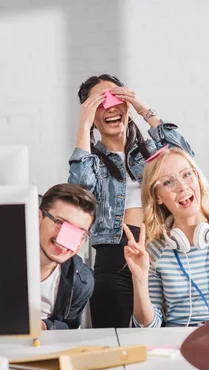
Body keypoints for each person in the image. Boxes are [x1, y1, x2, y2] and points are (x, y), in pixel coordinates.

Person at [68, 74, 194, 328]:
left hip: (163, 252)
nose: (110, 107)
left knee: (169, 337)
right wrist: (83, 127)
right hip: (115, 261)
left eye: (116, 98)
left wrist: (143, 109)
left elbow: (186, 159)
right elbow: (78, 198)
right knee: (115, 342)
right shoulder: (90, 162)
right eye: (99, 102)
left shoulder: (151, 153)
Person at [123, 147, 209, 327]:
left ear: (198, 178)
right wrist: (139, 279)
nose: (182, 187)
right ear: (158, 197)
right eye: (168, 182)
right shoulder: (155, 250)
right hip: (178, 347)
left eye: (187, 175)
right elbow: (149, 325)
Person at [39, 183, 96, 330]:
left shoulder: (81, 281)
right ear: (38, 217)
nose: (64, 239)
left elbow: (69, 326)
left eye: (78, 233)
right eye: (60, 223)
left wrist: (45, 326)